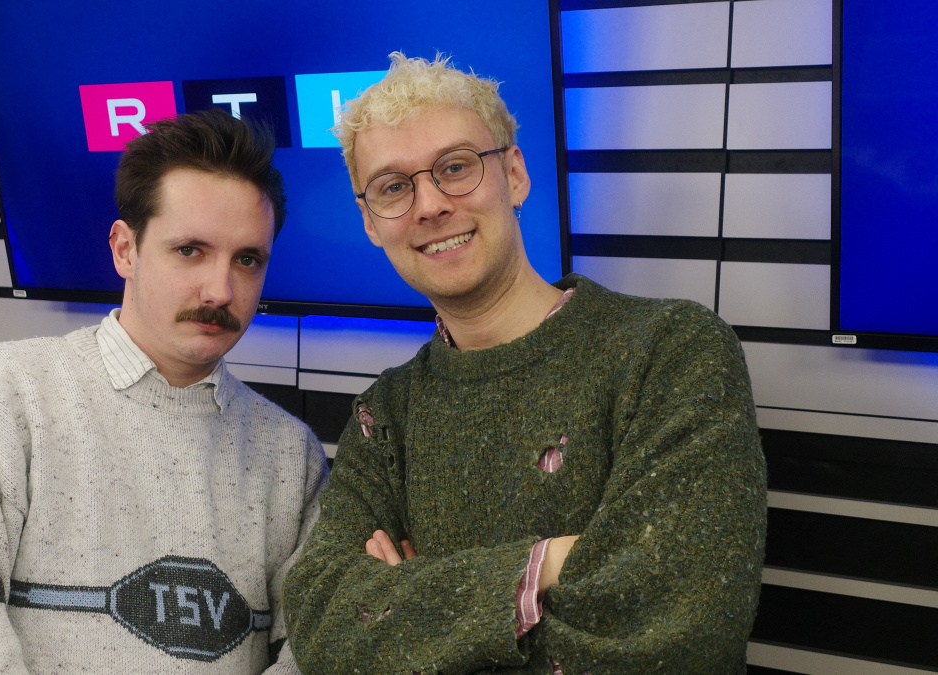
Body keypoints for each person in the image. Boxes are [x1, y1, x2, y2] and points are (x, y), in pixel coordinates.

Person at [282, 53, 766, 674]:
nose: (428, 205)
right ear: (371, 222)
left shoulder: (671, 351)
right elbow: (323, 622)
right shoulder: (385, 416)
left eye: (455, 167)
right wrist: (549, 565)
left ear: (514, 175)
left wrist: (411, 598)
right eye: (393, 187)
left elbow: (680, 636)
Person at [0, 110, 327, 674]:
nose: (220, 290)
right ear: (124, 249)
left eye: (247, 260)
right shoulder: (0, 394)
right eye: (190, 250)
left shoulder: (291, 455)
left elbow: (310, 654)